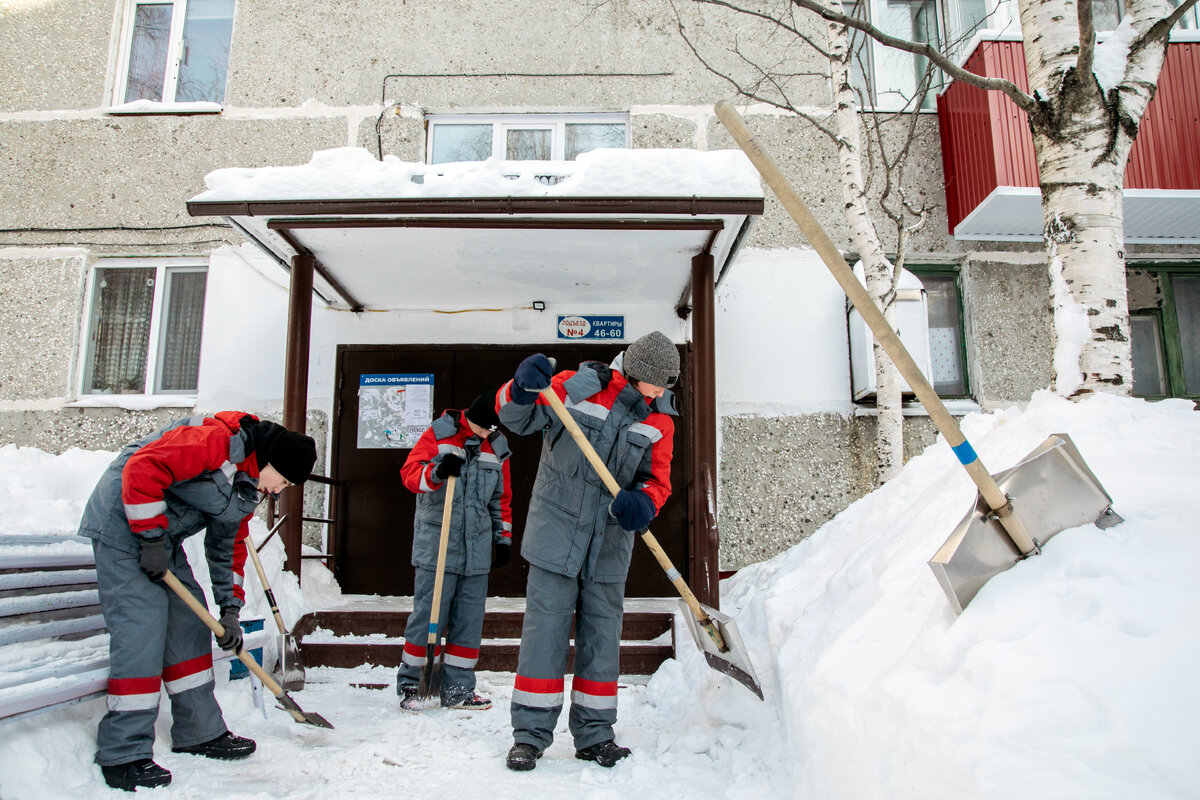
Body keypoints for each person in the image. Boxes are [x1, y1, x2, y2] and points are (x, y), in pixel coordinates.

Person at [77, 411, 317, 792]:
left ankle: (199, 732)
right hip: (124, 528)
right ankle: (124, 752)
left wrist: (230, 611)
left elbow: (227, 549)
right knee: (143, 629)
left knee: (189, 624)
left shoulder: (246, 486)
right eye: (283, 480)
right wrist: (151, 537)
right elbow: (142, 467)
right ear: (270, 461)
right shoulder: (217, 441)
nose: (278, 490)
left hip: (160, 540)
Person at [496, 331, 680, 771]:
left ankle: (595, 735)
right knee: (545, 637)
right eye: (659, 383)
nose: (662, 392)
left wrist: (645, 502)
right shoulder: (580, 387)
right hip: (556, 535)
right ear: (638, 373)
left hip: (609, 545)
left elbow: (658, 481)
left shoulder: (660, 421)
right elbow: (516, 418)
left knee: (602, 641)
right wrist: (519, 387)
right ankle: (530, 736)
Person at [396, 392, 513, 712]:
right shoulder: (439, 434)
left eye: (491, 430)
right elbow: (409, 474)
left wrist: (502, 538)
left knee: (469, 620)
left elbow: (500, 499)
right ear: (470, 417)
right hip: (438, 545)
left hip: (475, 549)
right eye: (482, 429)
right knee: (428, 616)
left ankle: (458, 688)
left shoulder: (497, 447)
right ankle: (411, 682)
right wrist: (435, 472)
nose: (486, 435)